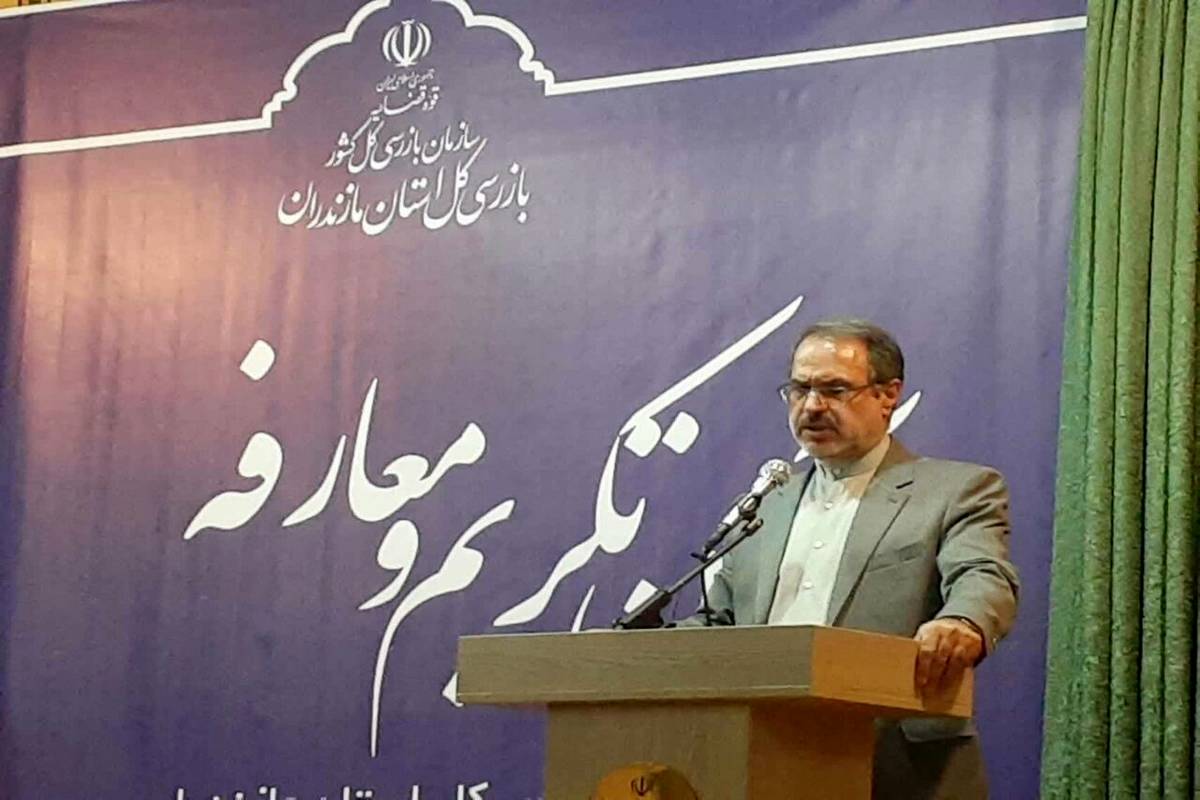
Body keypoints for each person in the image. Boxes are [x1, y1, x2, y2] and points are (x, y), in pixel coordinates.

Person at [689, 318, 1018, 799]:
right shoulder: (765, 506)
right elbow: (718, 622)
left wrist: (963, 622)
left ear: (889, 395)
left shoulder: (956, 490)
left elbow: (983, 574)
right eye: (800, 389)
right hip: (758, 759)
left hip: (897, 765)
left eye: (834, 390)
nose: (812, 406)